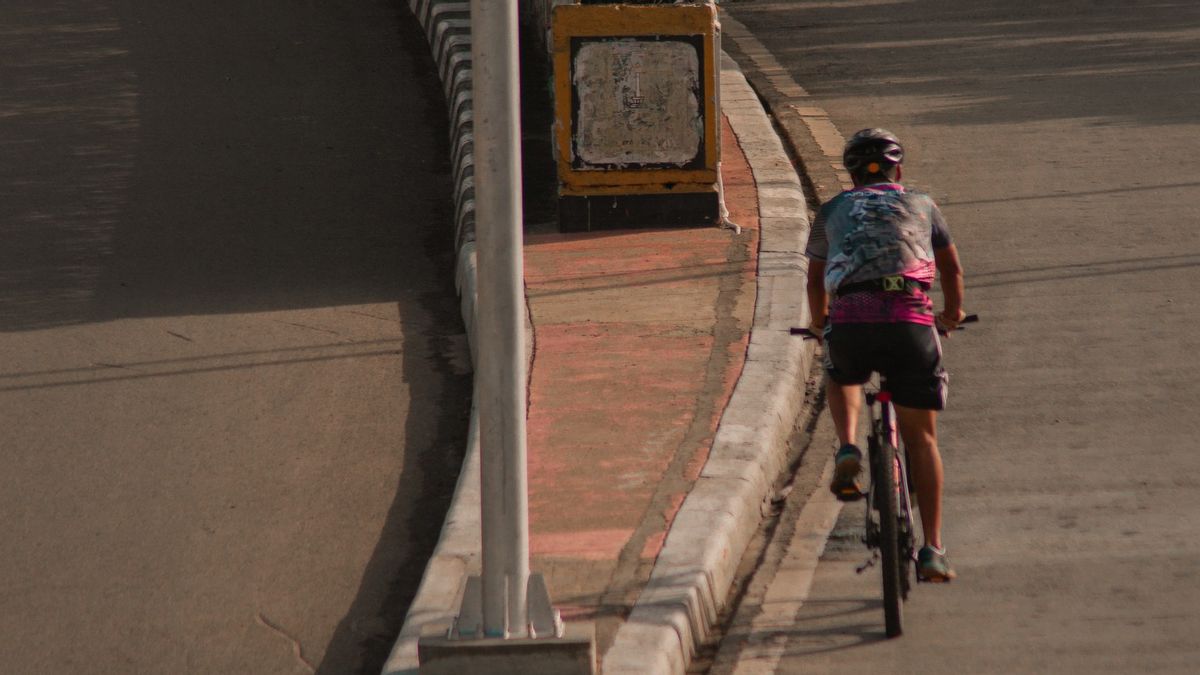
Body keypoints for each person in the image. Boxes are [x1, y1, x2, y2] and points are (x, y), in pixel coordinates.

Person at [804, 128, 965, 582]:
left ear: (851, 174)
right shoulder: (922, 204)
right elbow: (951, 269)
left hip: (852, 318)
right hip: (910, 321)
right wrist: (951, 315)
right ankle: (932, 549)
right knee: (923, 440)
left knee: (842, 371)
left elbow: (816, 280)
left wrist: (820, 324)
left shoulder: (832, 210)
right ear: (899, 169)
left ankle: (849, 447)